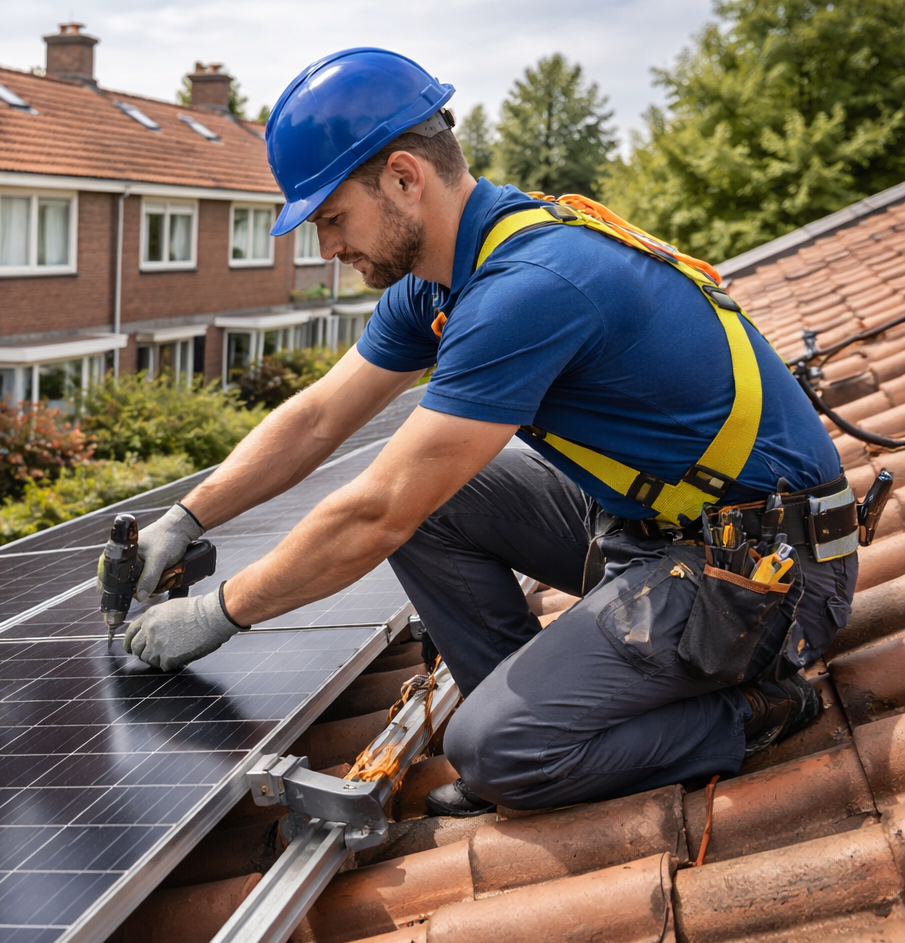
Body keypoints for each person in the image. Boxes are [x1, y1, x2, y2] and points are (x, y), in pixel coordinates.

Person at [116, 48, 860, 815]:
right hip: (655, 530)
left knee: (501, 752)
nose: (327, 249)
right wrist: (186, 518)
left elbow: (377, 514)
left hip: (768, 571)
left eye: (332, 218)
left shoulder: (531, 286)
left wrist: (221, 611)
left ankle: (753, 709)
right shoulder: (449, 276)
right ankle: (526, 696)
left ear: (405, 178)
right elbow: (315, 418)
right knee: (435, 496)